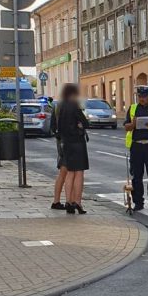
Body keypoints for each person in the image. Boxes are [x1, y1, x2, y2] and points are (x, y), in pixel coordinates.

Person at [58, 84, 89, 214]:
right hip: (78, 142)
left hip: (67, 143)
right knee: (79, 173)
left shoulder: (62, 107)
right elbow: (86, 123)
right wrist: (80, 126)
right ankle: (77, 202)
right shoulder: (75, 106)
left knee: (70, 173)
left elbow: (59, 127)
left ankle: (68, 202)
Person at [49, 99, 67, 210]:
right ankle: (71, 201)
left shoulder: (57, 106)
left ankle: (57, 200)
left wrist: (57, 135)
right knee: (67, 172)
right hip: (68, 143)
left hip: (61, 142)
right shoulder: (69, 107)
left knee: (63, 172)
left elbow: (52, 126)